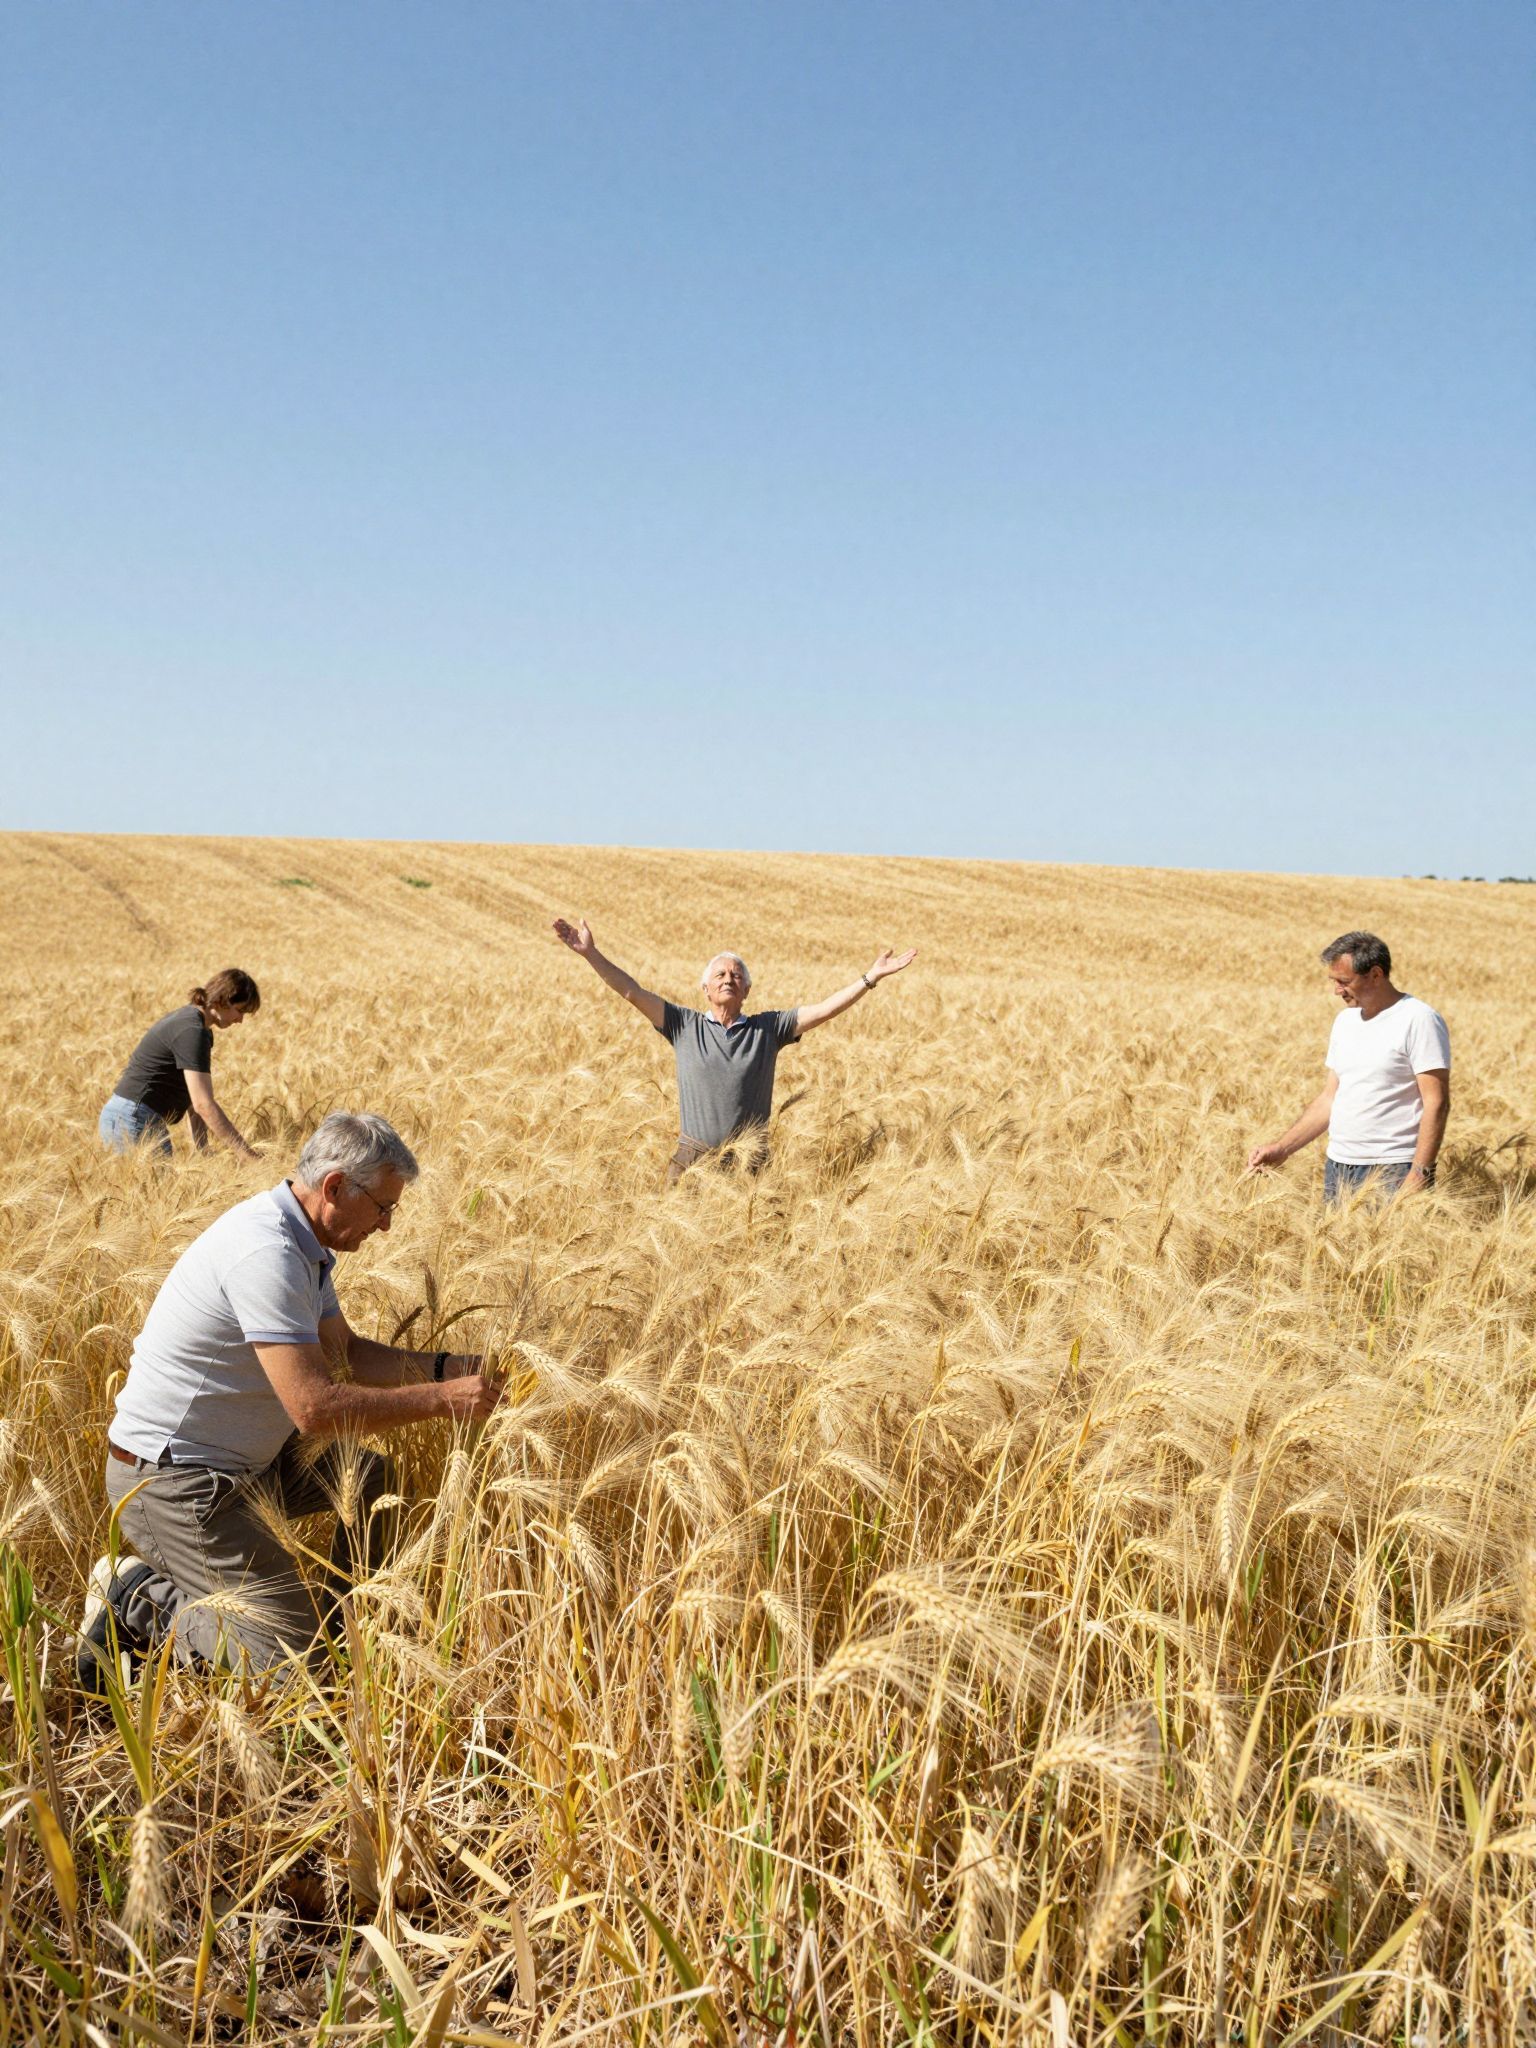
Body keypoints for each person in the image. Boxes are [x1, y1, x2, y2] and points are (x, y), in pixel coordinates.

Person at [77, 1112, 503, 1692]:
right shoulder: (266, 1253)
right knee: (293, 1670)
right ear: (334, 1188)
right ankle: (134, 1595)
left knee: (372, 1481)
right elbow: (314, 1408)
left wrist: (446, 1368)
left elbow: (345, 1351)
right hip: (174, 1483)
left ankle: (335, 1632)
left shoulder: (305, 1243)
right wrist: (444, 1399)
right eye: (383, 1207)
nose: (385, 1226)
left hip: (250, 1462)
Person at [551, 918, 917, 1181]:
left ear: (746, 991)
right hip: (691, 1165)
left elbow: (825, 1009)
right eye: (720, 975)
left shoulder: (768, 1029)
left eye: (736, 975)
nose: (728, 978)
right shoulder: (683, 1025)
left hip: (750, 1169)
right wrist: (590, 955)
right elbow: (631, 991)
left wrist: (871, 978)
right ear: (706, 990)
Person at [1246, 931, 1450, 1204]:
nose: (1336, 990)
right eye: (1334, 981)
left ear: (1376, 975)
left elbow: (1436, 1102)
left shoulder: (1419, 1019)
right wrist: (1282, 1148)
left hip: (1392, 1169)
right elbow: (1330, 1098)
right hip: (1339, 1166)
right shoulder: (1345, 1021)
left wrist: (1420, 1172)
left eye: (1344, 981)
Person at [100, 969, 262, 1161]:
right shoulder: (192, 1031)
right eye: (240, 1010)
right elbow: (203, 1104)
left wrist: (202, 1148)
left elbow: (194, 1100)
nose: (240, 1020)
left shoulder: (195, 1025)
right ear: (222, 1000)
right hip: (133, 1118)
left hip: (128, 1116)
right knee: (158, 1188)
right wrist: (246, 1154)